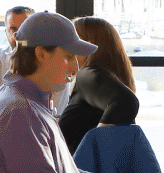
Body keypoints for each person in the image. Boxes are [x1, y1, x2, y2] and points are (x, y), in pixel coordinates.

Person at [0, 11, 164, 173]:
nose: (76, 68)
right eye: (69, 56)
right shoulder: (20, 113)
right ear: (41, 54)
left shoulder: (29, 103)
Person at [58, 17, 142, 152]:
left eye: (73, 41)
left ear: (88, 45)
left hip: (81, 166)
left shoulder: (88, 74)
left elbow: (126, 101)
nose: (67, 48)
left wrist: (93, 147)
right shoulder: (106, 76)